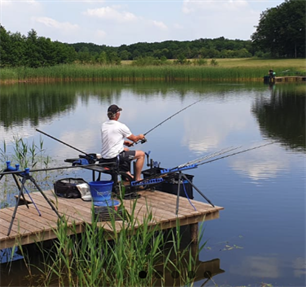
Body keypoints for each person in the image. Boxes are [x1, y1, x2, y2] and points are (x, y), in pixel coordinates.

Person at [100, 104, 145, 182]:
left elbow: (110, 138)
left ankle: (127, 174)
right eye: (119, 112)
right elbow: (134, 139)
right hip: (114, 158)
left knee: (126, 150)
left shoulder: (104, 125)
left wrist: (123, 142)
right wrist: (140, 136)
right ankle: (137, 179)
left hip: (105, 157)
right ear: (117, 114)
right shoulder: (121, 126)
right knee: (141, 154)